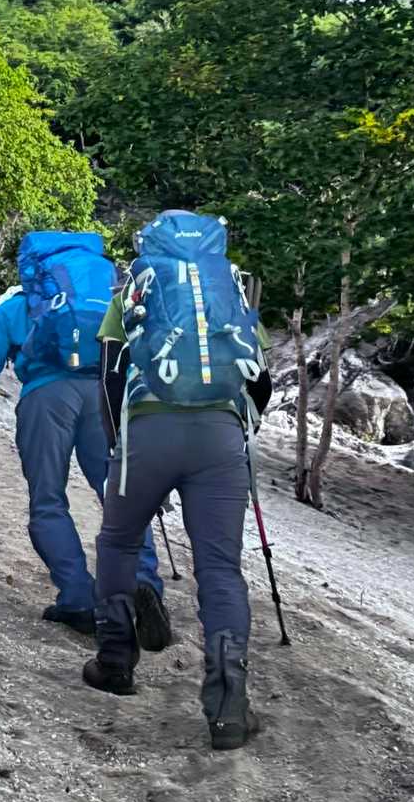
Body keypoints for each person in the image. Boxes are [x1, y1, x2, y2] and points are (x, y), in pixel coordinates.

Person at [82, 209, 272, 751]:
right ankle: (227, 709)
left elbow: (110, 375)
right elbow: (261, 381)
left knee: (118, 541)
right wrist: (239, 428)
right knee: (220, 569)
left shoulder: (135, 290)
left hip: (147, 433)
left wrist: (117, 445)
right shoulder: (228, 291)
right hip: (220, 441)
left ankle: (115, 662)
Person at [0, 268, 171, 647]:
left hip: (44, 400)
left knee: (48, 501)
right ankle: (143, 582)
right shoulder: (101, 303)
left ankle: (78, 599)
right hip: (103, 396)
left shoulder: (11, 309)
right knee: (120, 493)